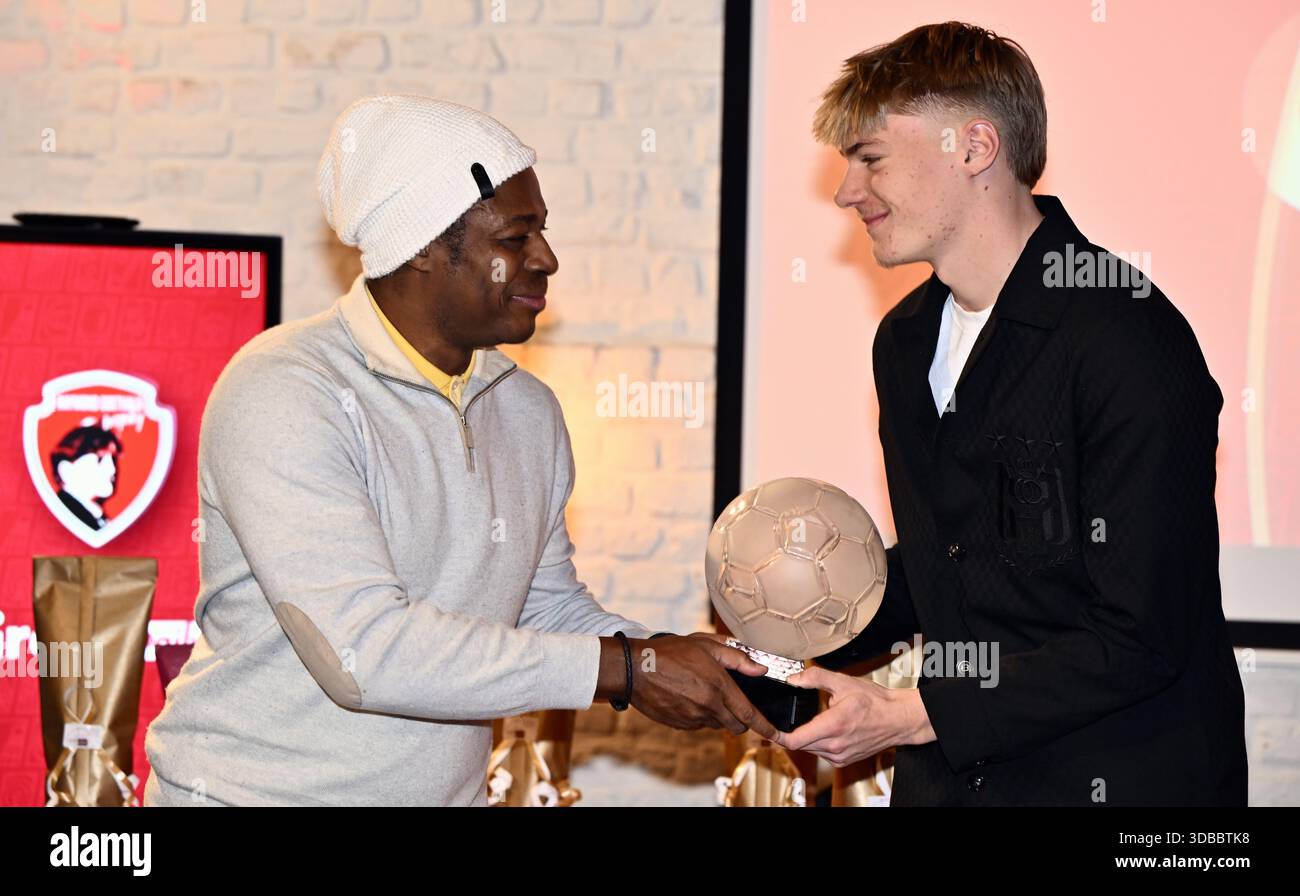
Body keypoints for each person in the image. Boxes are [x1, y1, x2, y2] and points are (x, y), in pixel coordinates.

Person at [144, 96, 774, 806]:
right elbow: (364, 656)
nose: (547, 259)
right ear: (418, 245)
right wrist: (624, 668)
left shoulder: (526, 409)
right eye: (516, 237)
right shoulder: (285, 390)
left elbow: (542, 609)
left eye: (543, 231)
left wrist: (673, 657)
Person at [776, 22, 1247, 806]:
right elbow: (953, 566)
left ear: (974, 146)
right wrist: (789, 631)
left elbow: (1141, 634)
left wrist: (910, 715)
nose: (847, 191)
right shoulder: (904, 339)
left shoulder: (1128, 336)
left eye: (870, 157)